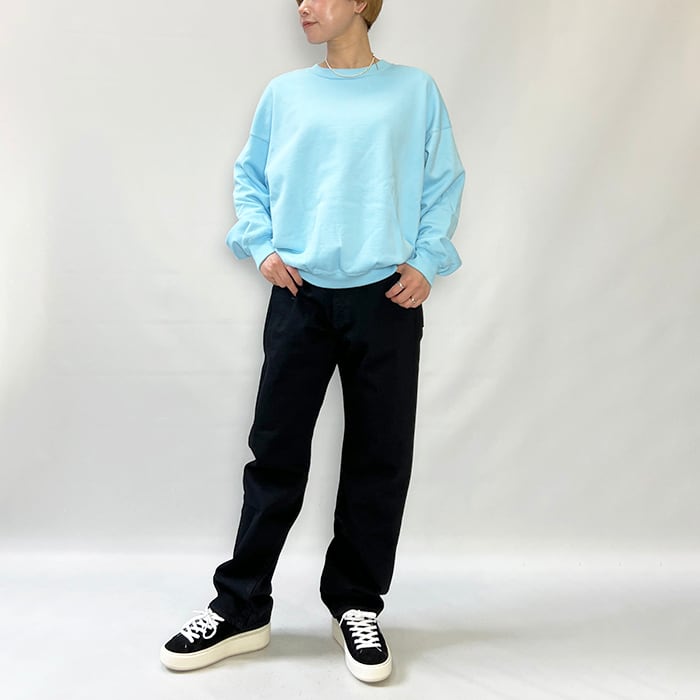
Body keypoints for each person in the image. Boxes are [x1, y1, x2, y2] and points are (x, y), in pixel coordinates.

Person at [160, 0, 464, 684]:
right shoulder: (285, 94)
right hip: (300, 298)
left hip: (385, 299)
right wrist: (262, 246)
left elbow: (443, 182)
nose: (302, 6)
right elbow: (250, 178)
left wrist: (426, 259)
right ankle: (241, 606)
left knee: (380, 456)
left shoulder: (413, 91)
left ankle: (356, 602)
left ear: (360, 2)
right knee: (275, 453)